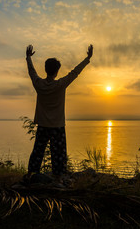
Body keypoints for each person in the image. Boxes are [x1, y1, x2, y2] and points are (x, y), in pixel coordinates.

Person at [25, 44, 93, 184]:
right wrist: (87, 58)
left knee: (38, 150)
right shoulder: (61, 84)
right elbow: (75, 72)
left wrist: (28, 58)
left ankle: (31, 174)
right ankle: (58, 178)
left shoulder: (39, 84)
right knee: (59, 154)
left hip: (43, 125)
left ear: (46, 70)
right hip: (57, 126)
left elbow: (31, 72)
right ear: (56, 72)